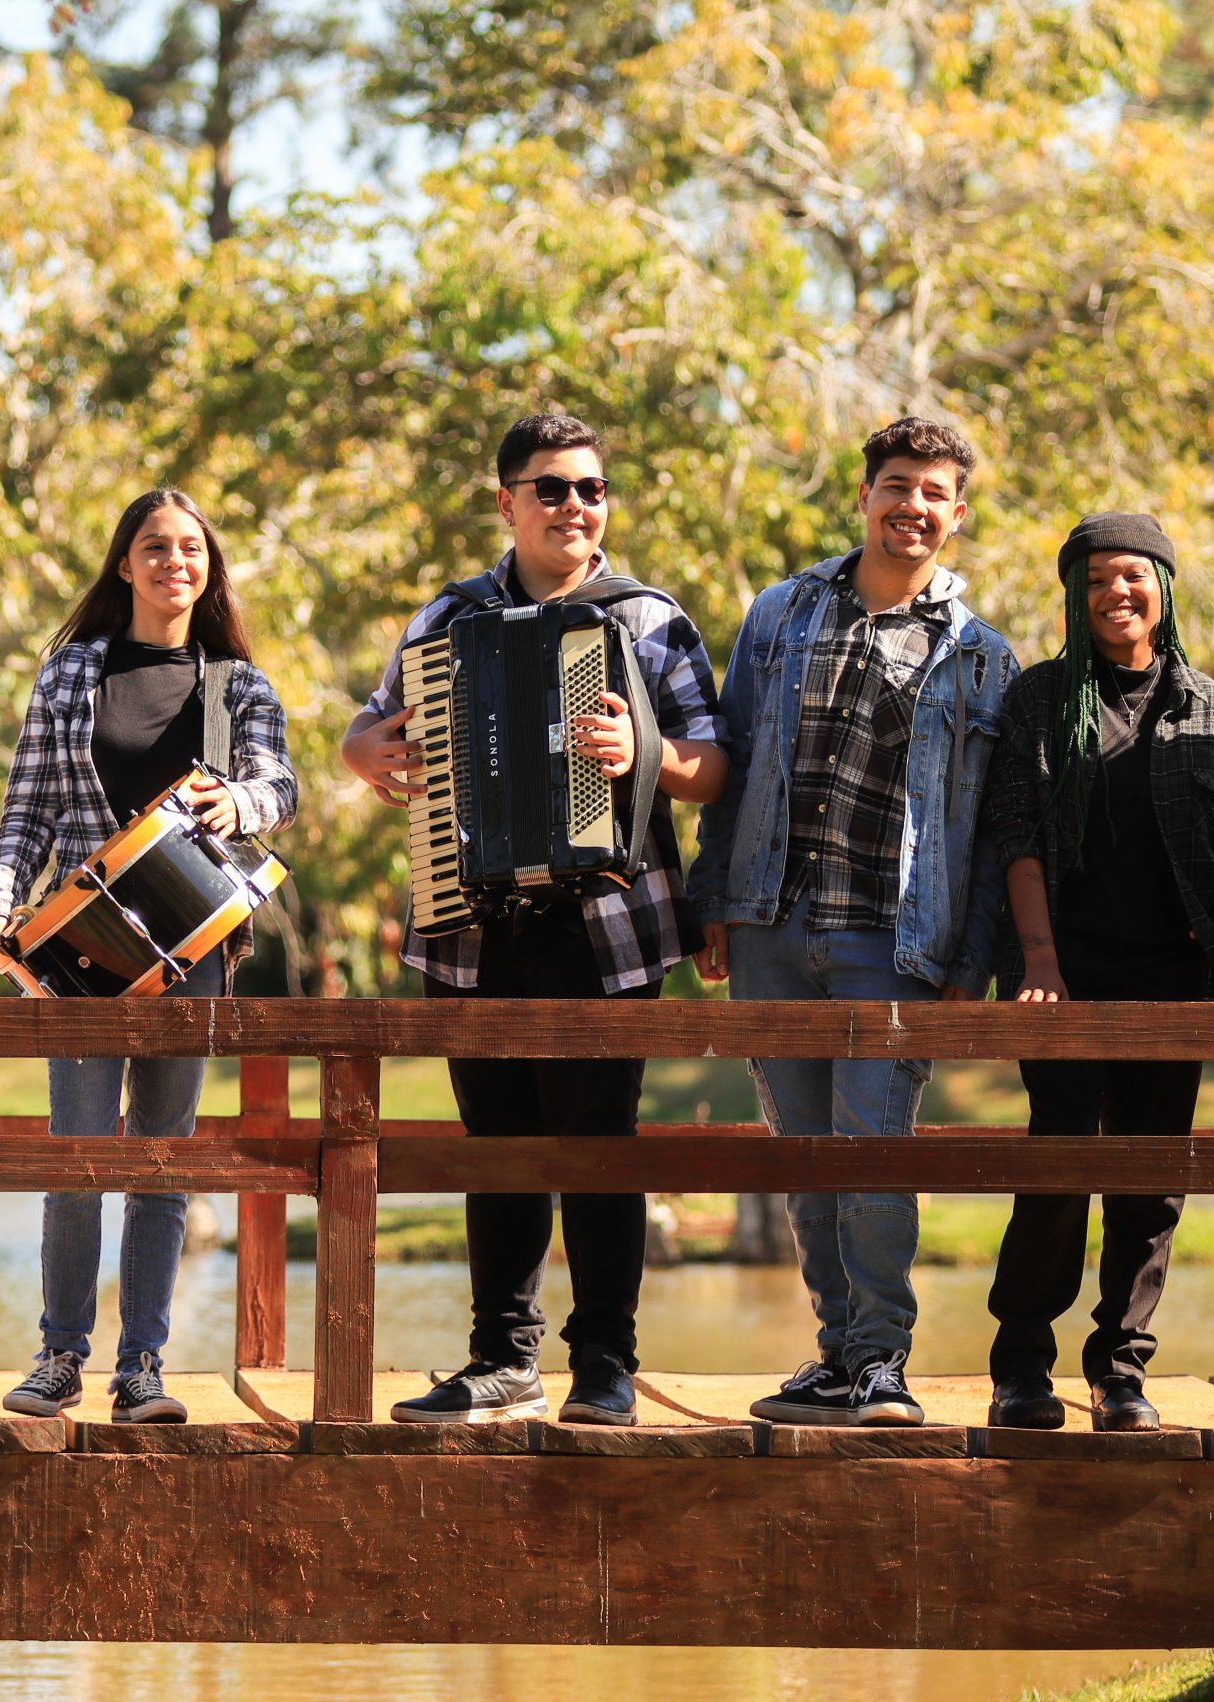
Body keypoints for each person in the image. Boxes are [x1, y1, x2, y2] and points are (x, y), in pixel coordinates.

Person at [342, 413, 727, 1426]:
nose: (574, 507)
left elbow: (713, 765)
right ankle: (500, 1358)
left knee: (601, 1147)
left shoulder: (647, 620)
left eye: (592, 489)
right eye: (551, 488)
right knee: (494, 1146)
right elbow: (370, 723)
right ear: (506, 501)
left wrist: (638, 750)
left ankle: (604, 1361)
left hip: (608, 926)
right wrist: (365, 753)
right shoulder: (447, 617)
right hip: (472, 926)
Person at [688, 416, 1017, 1428]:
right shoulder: (781, 613)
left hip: (895, 934)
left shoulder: (981, 657)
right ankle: (833, 1351)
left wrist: (977, 952)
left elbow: (992, 822)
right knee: (802, 1152)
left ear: (956, 516)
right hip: (773, 922)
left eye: (933, 492)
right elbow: (731, 758)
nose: (911, 506)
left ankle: (881, 1360)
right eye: (895, 484)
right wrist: (712, 900)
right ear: (865, 495)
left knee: (872, 1146)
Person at [0, 489, 297, 1424]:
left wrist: (241, 804)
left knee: (162, 1163)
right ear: (124, 564)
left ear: (209, 567)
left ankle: (143, 1369)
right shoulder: (70, 674)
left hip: (191, 950)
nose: (173, 562)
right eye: (153, 547)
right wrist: (0, 899)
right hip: (82, 951)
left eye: (190, 548)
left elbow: (279, 782)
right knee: (77, 1154)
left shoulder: (237, 684)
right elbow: (28, 807)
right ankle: (57, 1356)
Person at [980, 514, 1214, 1433]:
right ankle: (1022, 1363)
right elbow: (1015, 834)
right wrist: (1041, 961)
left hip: (1174, 975)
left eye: (1133, 576)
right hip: (1063, 971)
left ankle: (1120, 1370)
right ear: (1074, 594)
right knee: (1059, 1159)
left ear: (1163, 587)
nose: (1115, 594)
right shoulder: (1039, 697)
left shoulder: (1208, 709)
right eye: (1095, 580)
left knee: (1150, 1175)